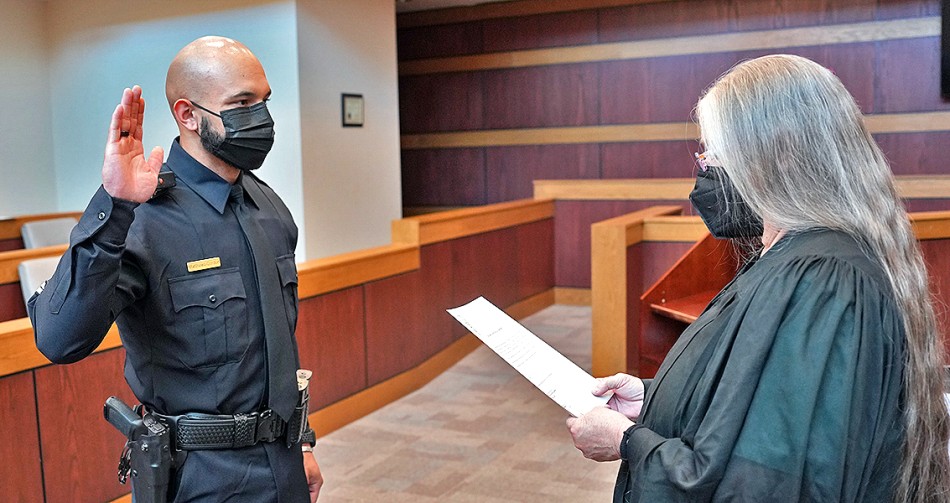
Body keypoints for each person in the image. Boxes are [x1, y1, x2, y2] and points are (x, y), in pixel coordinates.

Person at [567, 54, 950, 502]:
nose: (705, 168)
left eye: (715, 152)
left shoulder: (822, 282)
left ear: (778, 156)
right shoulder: (796, 255)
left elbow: (764, 484)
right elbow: (758, 397)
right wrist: (653, 399)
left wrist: (626, 441)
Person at [29, 36, 323, 502]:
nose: (262, 118)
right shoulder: (142, 217)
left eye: (264, 101)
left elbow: (280, 344)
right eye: (242, 103)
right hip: (199, 476)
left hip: (283, 463)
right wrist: (114, 204)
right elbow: (59, 340)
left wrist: (302, 440)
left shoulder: (270, 207)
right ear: (187, 115)